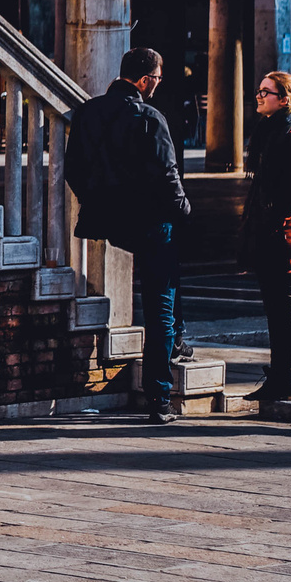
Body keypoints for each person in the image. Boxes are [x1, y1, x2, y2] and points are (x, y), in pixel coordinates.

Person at [64, 47, 192, 422]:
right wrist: (185, 210)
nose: (157, 85)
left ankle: (179, 338)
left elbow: (74, 170)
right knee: (160, 307)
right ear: (145, 79)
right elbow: (168, 176)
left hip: (112, 221)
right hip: (153, 223)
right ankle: (159, 398)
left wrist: (99, 201)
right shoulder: (151, 117)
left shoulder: (88, 112)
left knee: (169, 288)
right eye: (157, 78)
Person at [241, 71, 291, 406]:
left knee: (285, 309)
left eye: (266, 92)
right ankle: (280, 377)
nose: (259, 96)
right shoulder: (269, 131)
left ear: (284, 99)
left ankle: (287, 379)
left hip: (282, 236)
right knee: (274, 310)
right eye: (259, 91)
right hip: (267, 232)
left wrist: (273, 223)